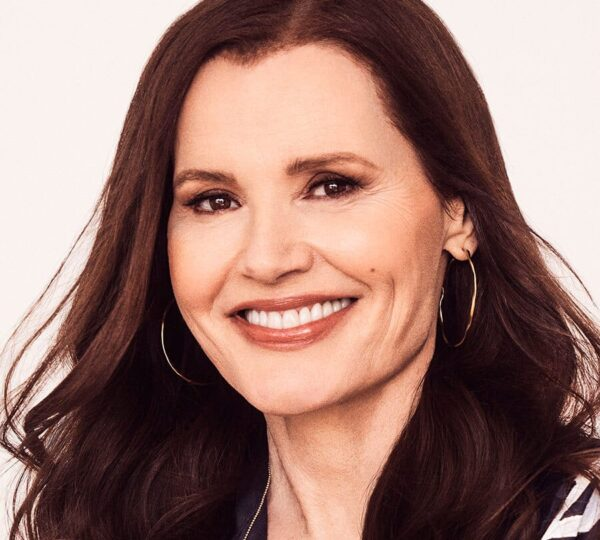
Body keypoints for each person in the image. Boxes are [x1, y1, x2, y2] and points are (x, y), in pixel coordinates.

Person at [2, 1, 600, 538]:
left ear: (458, 212)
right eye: (214, 200)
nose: (267, 259)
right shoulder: (111, 522)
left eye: (332, 186)